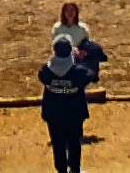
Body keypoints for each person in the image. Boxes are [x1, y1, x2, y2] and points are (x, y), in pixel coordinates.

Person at [38, 34, 95, 173]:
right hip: (74, 115)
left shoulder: (45, 71)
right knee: (74, 142)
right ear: (71, 51)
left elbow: (42, 77)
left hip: (54, 115)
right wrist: (79, 59)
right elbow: (90, 75)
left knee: (58, 144)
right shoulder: (79, 72)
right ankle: (75, 169)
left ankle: (61, 170)